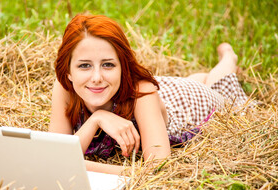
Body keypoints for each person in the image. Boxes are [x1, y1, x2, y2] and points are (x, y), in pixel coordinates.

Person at [49, 14, 250, 175]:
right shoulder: (65, 86)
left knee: (221, 86)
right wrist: (97, 119)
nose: (96, 77)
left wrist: (77, 166)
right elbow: (54, 155)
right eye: (84, 66)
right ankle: (199, 76)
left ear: (123, 68)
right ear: (68, 71)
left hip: (187, 100)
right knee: (194, 79)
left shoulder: (142, 92)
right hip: (160, 92)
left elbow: (158, 169)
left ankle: (228, 57)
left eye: (108, 64)